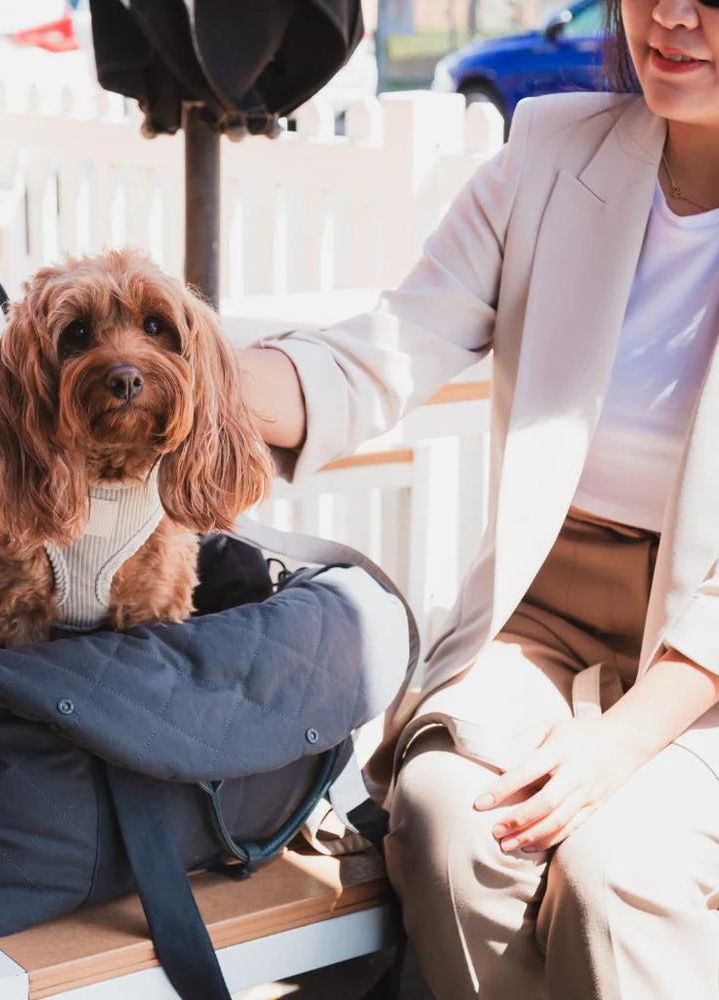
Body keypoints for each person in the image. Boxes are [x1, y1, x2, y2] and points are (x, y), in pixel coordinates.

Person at [239, 0, 719, 994]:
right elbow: (387, 346)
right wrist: (189, 373)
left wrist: (621, 741)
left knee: (613, 867)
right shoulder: (552, 156)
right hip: (544, 612)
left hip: (705, 666)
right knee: (454, 822)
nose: (671, 16)